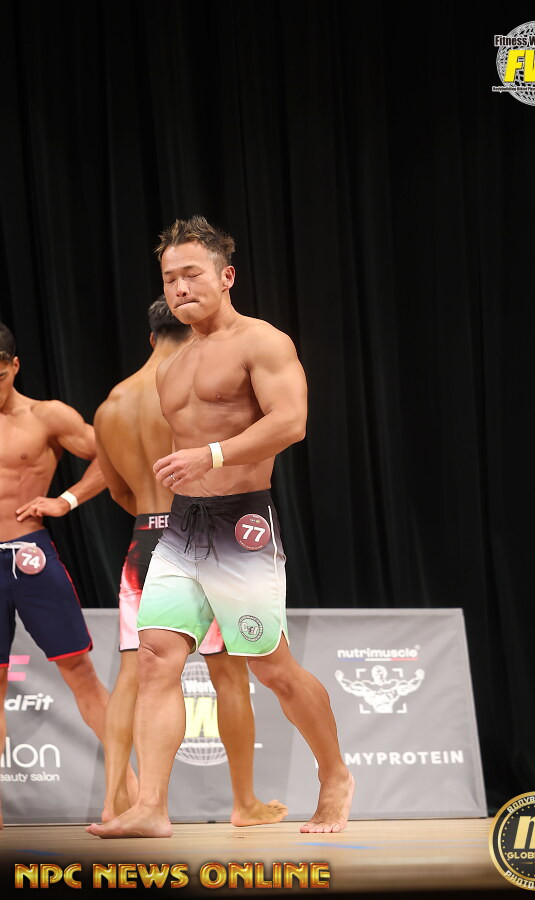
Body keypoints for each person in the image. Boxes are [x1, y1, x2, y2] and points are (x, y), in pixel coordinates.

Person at [88, 215, 354, 839]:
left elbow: (291, 422)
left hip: (241, 526)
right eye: (169, 279)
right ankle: (151, 807)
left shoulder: (263, 341)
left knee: (270, 667)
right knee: (156, 658)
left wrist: (210, 456)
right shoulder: (172, 366)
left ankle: (335, 774)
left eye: (192, 274)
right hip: (182, 528)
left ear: (226, 276)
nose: (180, 287)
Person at [93, 297, 287, 826]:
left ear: (150, 338)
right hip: (200, 532)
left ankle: (115, 802)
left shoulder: (111, 405)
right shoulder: (186, 393)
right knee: (228, 674)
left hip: (144, 539)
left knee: (134, 674)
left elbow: (117, 491)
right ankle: (244, 803)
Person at [0, 322, 119, 827]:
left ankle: (127, 794)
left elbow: (112, 456)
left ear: (15, 366)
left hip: (30, 553)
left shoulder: (46, 416)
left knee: (80, 673)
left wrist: (66, 499)